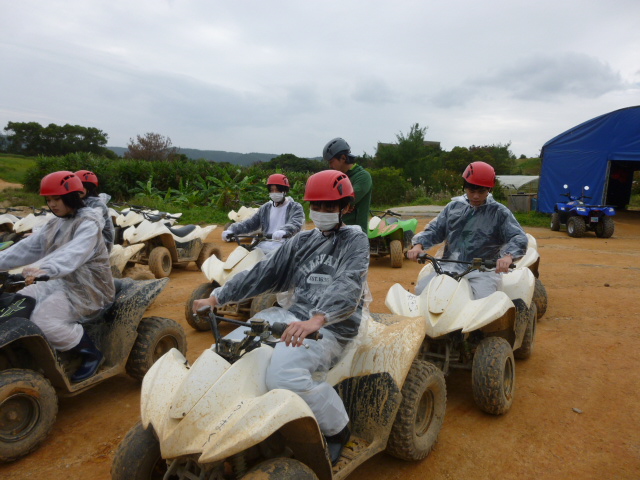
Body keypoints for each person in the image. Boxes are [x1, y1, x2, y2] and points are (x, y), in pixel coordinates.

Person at [194, 170, 371, 464]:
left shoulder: (355, 240)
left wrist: (318, 318)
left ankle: (337, 430)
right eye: (317, 205)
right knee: (225, 351)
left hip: (333, 325)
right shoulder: (302, 241)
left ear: (346, 207)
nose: (322, 211)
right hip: (293, 316)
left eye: (329, 206)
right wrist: (218, 298)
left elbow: (348, 282)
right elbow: (264, 272)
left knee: (284, 375)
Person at [0, 171, 115, 382]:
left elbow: (73, 252)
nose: (52, 204)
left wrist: (46, 268)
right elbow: (27, 248)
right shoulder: (56, 223)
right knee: (20, 301)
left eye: (57, 199)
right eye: (49, 200)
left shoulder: (88, 223)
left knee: (44, 320)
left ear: (71, 197)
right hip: (60, 281)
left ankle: (91, 354)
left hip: (89, 289)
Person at [407, 161, 528, 299]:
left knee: (483, 302)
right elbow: (435, 229)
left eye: (481, 191)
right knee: (422, 292)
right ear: (464, 188)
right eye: (472, 191)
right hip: (448, 266)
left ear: (489, 190)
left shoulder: (499, 212)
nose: (476, 196)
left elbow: (518, 236)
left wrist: (508, 256)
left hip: (483, 271)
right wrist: (418, 245)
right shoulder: (453, 207)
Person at [221, 173, 305, 254]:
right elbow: (250, 223)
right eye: (272, 190)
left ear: (285, 191)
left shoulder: (295, 207)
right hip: (265, 244)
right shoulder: (266, 208)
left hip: (285, 247)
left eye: (277, 190)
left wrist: (284, 231)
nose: (274, 193)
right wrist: (232, 230)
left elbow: (295, 223)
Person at [323, 137, 372, 233]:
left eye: (331, 162)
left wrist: (342, 203)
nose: (330, 166)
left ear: (343, 158)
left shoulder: (363, 176)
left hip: (356, 233)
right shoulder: (337, 177)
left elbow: (346, 200)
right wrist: (341, 204)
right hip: (336, 231)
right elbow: (329, 201)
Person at [75, 169, 115, 252]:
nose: (77, 190)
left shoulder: (97, 205)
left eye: (81, 187)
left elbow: (90, 226)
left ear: (89, 188)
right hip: (87, 241)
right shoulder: (80, 201)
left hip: (101, 245)